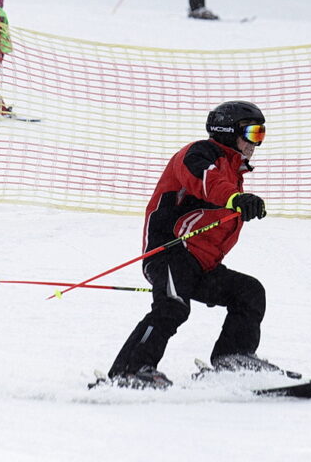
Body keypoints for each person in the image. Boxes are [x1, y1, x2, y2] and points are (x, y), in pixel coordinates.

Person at [106, 101, 279, 389]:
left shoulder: (234, 171)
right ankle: (129, 371)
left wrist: (240, 206)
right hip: (170, 252)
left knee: (249, 292)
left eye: (261, 134)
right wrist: (236, 200)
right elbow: (205, 181)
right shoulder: (198, 154)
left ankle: (232, 360)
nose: (256, 143)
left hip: (201, 263)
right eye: (252, 133)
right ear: (228, 131)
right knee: (172, 306)